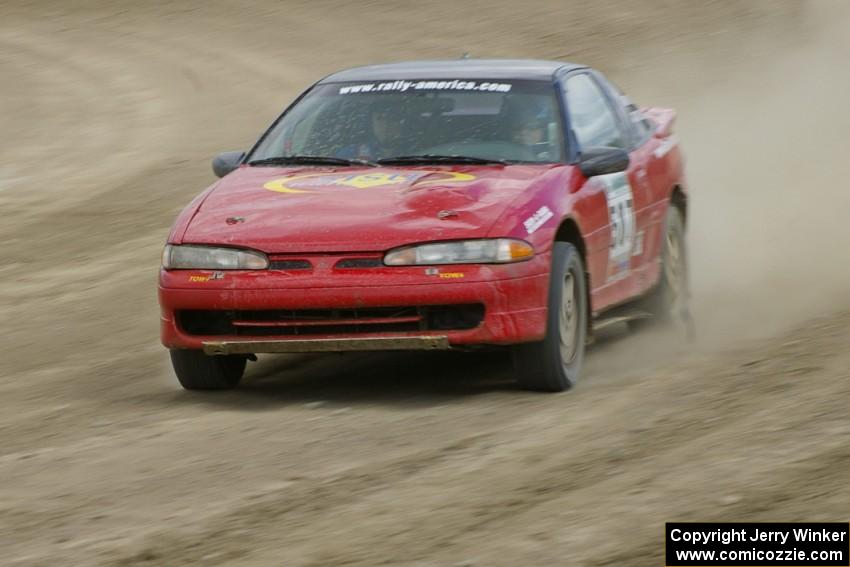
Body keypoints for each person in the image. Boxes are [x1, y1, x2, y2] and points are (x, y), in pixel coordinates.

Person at [336, 104, 405, 160]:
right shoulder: (350, 154)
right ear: (371, 124)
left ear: (401, 124)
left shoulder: (413, 153)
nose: (386, 125)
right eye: (380, 118)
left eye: (392, 118)